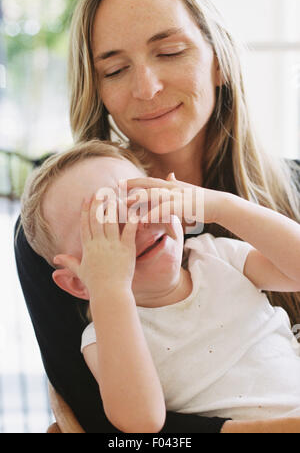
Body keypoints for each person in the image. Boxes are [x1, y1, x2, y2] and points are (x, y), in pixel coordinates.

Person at [14, 0, 300, 433]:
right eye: (115, 69)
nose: (146, 87)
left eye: (169, 51)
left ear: (219, 60)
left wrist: (218, 207)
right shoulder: (53, 226)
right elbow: (114, 429)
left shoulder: (213, 253)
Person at [20, 140, 300, 433]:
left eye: (141, 201)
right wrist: (110, 290)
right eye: (105, 226)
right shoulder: (104, 338)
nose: (136, 223)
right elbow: (141, 423)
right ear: (78, 282)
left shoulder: (216, 256)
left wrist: (221, 207)